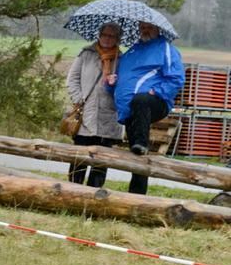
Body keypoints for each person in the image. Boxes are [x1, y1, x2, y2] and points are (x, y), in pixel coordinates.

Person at [105, 21, 185, 194]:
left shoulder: (166, 49)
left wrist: (157, 91)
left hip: (154, 102)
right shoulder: (131, 51)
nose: (145, 30)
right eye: (142, 27)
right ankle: (137, 194)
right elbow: (123, 81)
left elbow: (177, 78)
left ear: (158, 29)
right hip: (130, 109)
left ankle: (142, 143)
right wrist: (111, 83)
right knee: (137, 155)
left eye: (149, 27)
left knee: (140, 101)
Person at [65, 22, 124, 187]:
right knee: (79, 157)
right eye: (104, 34)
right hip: (86, 113)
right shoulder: (86, 54)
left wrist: (116, 83)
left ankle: (93, 193)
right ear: (99, 35)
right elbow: (72, 79)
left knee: (101, 162)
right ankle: (73, 190)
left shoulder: (122, 60)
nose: (107, 38)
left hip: (109, 116)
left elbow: (126, 88)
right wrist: (79, 99)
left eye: (112, 36)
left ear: (118, 39)